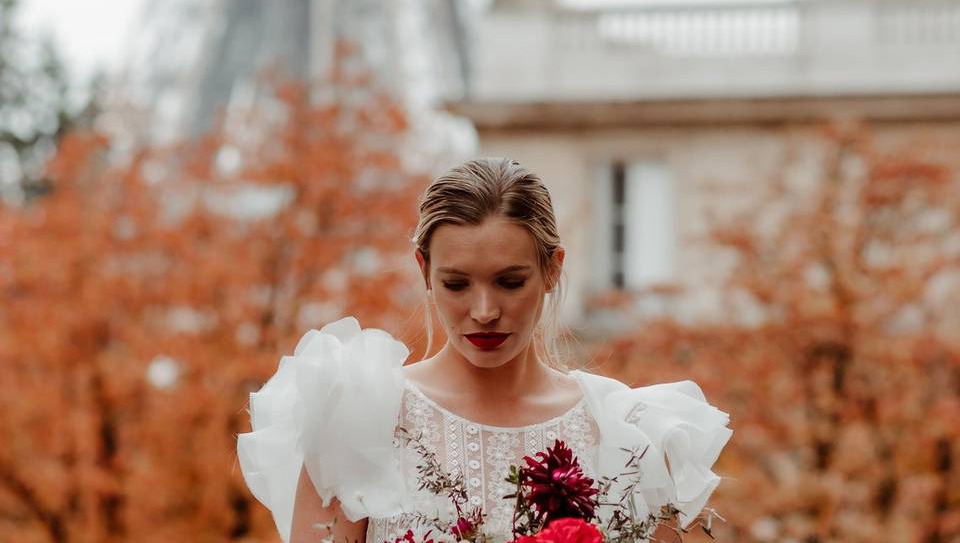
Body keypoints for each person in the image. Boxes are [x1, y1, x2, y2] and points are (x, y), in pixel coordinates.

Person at [237, 158, 733, 543]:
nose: (484, 310)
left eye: (510, 282)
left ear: (553, 269)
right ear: (423, 271)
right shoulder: (356, 419)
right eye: (456, 284)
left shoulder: (632, 433)